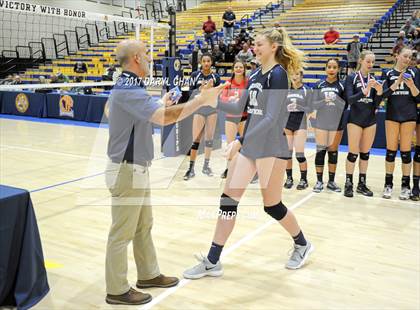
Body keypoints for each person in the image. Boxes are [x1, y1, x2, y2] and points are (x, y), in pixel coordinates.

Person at [183, 27, 313, 280]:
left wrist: (240, 141)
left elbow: (273, 117)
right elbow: (239, 108)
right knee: (228, 200)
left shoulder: (278, 75)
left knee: (272, 205)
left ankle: (302, 243)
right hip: (252, 145)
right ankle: (213, 260)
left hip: (271, 147)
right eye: (254, 43)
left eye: (259, 44)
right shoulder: (255, 75)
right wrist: (208, 101)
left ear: (273, 47)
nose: (255, 47)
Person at [104, 39, 224, 305]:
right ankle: (116, 289)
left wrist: (159, 101)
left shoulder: (130, 86)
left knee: (143, 225)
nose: (149, 58)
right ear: (136, 58)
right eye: (146, 54)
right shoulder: (128, 88)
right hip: (126, 167)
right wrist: (200, 100)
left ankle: (148, 274)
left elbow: (130, 112)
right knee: (122, 232)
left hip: (136, 166)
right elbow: (164, 118)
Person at [381, 47, 420, 200]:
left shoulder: (415, 73)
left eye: (409, 57)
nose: (407, 59)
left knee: (405, 152)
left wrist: (411, 86)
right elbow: (383, 95)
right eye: (405, 56)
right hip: (392, 115)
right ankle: (388, 184)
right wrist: (395, 84)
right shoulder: (388, 73)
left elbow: (418, 98)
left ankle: (405, 186)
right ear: (397, 56)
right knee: (390, 151)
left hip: (409, 115)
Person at [343, 51, 383, 198]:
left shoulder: (374, 79)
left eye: (373, 62)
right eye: (368, 61)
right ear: (360, 61)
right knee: (353, 154)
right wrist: (364, 91)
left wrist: (379, 93)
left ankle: (361, 183)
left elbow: (375, 105)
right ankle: (348, 183)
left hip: (370, 120)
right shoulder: (351, 78)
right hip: (355, 119)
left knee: (365, 154)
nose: (370, 64)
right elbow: (350, 100)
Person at [310, 58, 346, 193]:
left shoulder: (342, 86)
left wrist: (335, 100)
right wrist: (323, 100)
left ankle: (331, 181)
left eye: (334, 67)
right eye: (329, 67)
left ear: (338, 69)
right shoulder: (319, 85)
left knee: (333, 152)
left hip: (336, 123)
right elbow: (313, 104)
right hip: (321, 122)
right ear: (325, 69)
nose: (331, 69)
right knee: (320, 150)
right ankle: (319, 181)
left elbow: (346, 104)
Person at [183, 53, 221, 180]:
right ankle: (191, 169)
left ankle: (206, 166)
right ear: (201, 62)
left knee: (209, 140)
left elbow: (218, 95)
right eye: (204, 61)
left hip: (211, 111)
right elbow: (189, 93)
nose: (206, 63)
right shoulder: (195, 75)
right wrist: (200, 89)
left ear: (211, 62)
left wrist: (210, 90)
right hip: (199, 110)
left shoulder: (216, 77)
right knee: (196, 140)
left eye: (208, 61)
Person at [283, 70, 312, 190]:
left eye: (297, 74)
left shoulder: (306, 90)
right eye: (292, 74)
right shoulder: (286, 89)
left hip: (300, 123)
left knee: (299, 154)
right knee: (287, 154)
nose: (294, 77)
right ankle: (289, 178)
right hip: (287, 123)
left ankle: (303, 179)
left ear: (301, 76)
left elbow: (311, 108)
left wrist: (299, 106)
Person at [219, 60, 248, 179]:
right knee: (230, 145)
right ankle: (228, 168)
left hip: (244, 116)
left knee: (246, 144)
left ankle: (247, 169)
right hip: (230, 117)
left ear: (244, 69)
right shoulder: (228, 83)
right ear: (233, 69)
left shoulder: (248, 83)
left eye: (241, 67)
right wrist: (230, 98)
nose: (238, 69)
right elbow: (222, 98)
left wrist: (241, 99)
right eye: (236, 67)